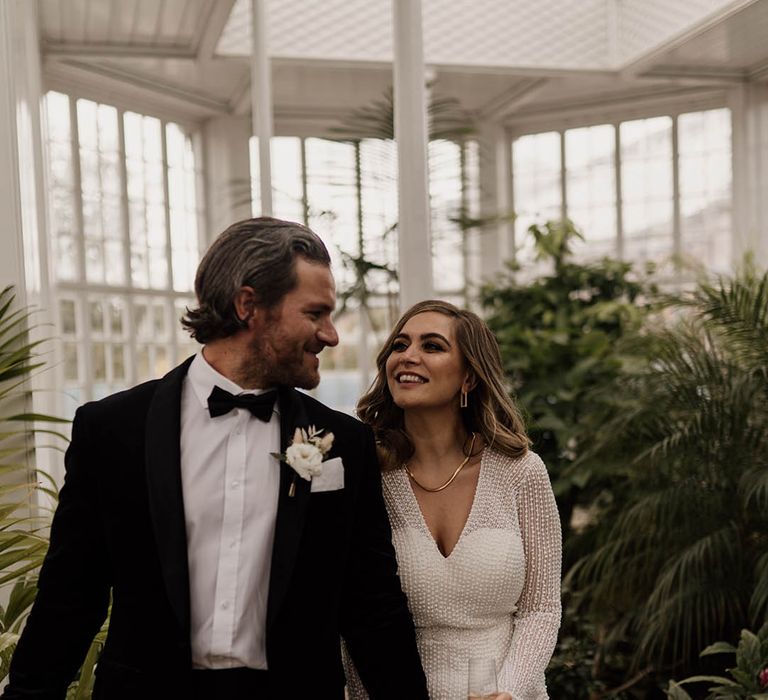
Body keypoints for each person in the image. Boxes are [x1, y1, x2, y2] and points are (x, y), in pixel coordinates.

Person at [4, 217, 429, 700]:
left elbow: (371, 604)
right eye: (316, 313)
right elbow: (71, 594)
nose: (331, 335)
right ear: (249, 305)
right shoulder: (113, 430)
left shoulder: (344, 442)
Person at [344, 300, 562, 700]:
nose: (408, 357)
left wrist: (509, 691)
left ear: (468, 378)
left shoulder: (522, 472)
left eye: (432, 346)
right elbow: (355, 615)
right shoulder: (366, 476)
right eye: (399, 345)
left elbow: (541, 609)